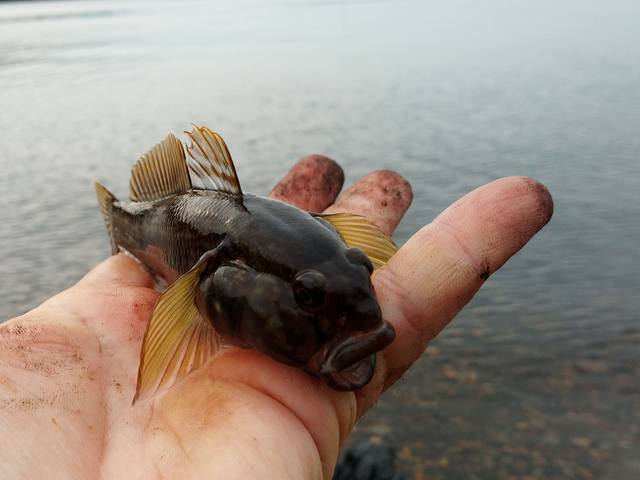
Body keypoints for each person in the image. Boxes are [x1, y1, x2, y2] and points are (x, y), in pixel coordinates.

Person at [0, 156, 553, 479]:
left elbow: (337, 261)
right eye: (310, 299)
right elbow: (192, 317)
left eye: (358, 272)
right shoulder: (204, 286)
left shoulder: (332, 262)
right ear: (217, 279)